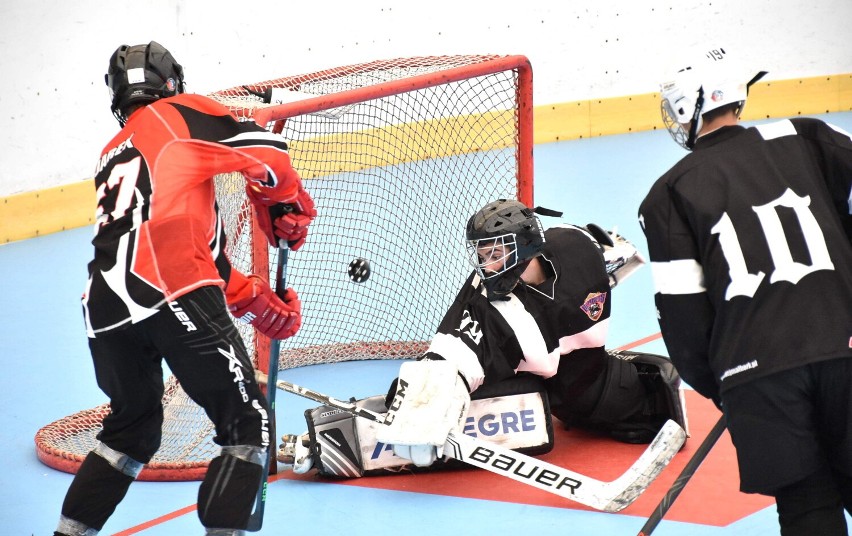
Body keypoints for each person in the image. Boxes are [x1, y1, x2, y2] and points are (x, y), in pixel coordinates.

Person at [54, 41, 316, 536]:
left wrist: (259, 304)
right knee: (247, 424)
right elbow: (268, 152)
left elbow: (205, 254)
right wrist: (282, 202)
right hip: (170, 289)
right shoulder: (177, 114)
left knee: (131, 432)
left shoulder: (113, 155)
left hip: (105, 311)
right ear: (172, 83)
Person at [278, 199, 687, 478]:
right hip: (539, 389)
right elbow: (447, 357)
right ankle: (338, 444)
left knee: (647, 402)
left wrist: (614, 261)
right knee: (493, 402)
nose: (485, 262)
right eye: (481, 252)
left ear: (526, 246)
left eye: (495, 252)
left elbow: (604, 253)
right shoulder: (487, 299)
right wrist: (424, 410)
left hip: (589, 385)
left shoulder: (573, 245)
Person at [638, 45, 852, 535]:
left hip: (755, 374)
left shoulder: (667, 192)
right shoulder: (806, 134)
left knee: (806, 506)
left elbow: (683, 317)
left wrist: (729, 386)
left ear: (685, 108)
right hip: (845, 346)